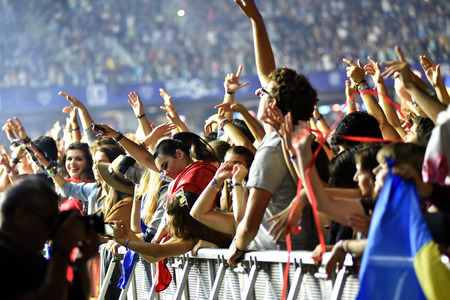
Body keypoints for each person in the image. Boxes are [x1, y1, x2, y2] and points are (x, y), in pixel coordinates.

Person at [0, 176, 99, 300]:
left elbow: (74, 297)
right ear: (21, 216)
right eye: (50, 220)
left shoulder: (31, 255)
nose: (53, 228)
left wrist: (80, 262)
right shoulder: (4, 257)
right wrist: (61, 251)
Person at [59, 142, 95, 214]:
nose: (72, 163)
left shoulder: (92, 188)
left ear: (88, 163)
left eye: (78, 159)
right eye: (69, 159)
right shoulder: (61, 184)